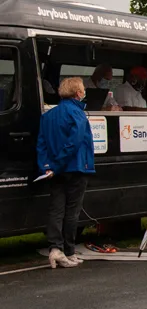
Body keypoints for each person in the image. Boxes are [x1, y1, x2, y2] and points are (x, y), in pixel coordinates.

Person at [36, 77, 96, 269]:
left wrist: (47, 166)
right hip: (76, 167)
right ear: (78, 93)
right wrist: (59, 163)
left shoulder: (48, 115)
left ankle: (55, 248)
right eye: (83, 89)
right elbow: (75, 142)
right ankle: (69, 250)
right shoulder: (77, 114)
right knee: (72, 211)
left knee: (56, 209)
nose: (84, 92)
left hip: (54, 171)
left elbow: (41, 143)